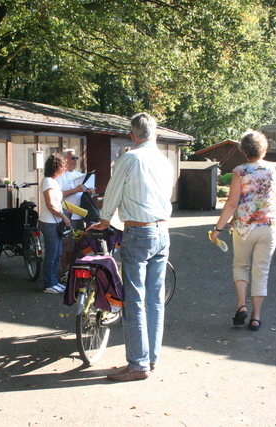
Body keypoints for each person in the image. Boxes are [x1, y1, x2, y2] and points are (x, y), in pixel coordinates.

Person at [88, 113, 173, 382]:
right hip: (162, 231)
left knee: (134, 299)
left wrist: (104, 220)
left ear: (133, 135)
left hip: (138, 231)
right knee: (155, 298)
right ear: (155, 133)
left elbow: (113, 191)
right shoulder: (165, 161)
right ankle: (151, 358)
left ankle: (138, 364)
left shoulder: (131, 158)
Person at [210, 130, 276, 331]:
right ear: (264, 148)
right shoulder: (273, 169)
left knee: (240, 266)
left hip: (243, 228)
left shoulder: (240, 171)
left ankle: (241, 305)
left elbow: (232, 203)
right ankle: (256, 317)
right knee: (261, 272)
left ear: (243, 150)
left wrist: (218, 229)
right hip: (268, 227)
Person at [57, 149, 94, 283]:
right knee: (66, 246)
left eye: (76, 158)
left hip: (79, 216)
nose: (75, 160)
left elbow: (87, 192)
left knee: (76, 245)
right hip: (67, 215)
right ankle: (65, 271)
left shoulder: (81, 175)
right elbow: (58, 195)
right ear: (64, 160)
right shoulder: (60, 176)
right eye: (72, 158)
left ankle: (72, 268)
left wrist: (90, 191)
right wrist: (76, 190)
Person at [39, 153, 71, 294]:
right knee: (52, 255)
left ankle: (54, 282)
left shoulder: (53, 181)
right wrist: (63, 216)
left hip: (54, 221)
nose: (64, 169)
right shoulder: (48, 181)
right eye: (62, 166)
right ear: (56, 167)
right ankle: (48, 284)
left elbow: (56, 203)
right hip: (49, 222)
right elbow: (50, 205)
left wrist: (64, 210)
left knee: (57, 253)